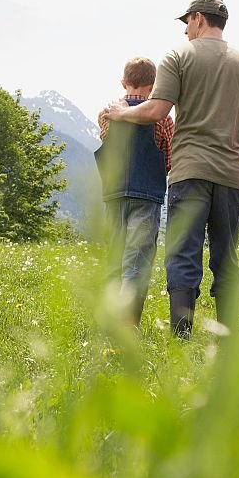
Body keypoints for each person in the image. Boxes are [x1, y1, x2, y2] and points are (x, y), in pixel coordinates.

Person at [103, 0, 239, 337]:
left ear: (199, 19)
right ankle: (228, 338)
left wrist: (121, 113)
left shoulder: (178, 56)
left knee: (183, 255)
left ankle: (181, 336)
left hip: (189, 173)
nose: (186, 30)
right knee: (225, 257)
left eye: (187, 22)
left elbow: (157, 110)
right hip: (232, 175)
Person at [95, 57, 174, 327]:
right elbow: (168, 158)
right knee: (136, 261)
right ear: (153, 87)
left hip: (114, 194)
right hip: (147, 195)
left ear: (123, 82)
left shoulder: (106, 113)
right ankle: (129, 323)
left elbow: (106, 143)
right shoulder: (162, 119)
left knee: (114, 257)